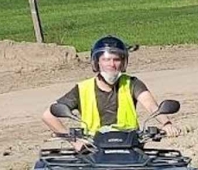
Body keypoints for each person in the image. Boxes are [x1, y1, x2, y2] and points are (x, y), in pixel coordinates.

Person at [42, 36, 178, 138]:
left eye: (116, 59)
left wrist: (166, 124)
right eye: (106, 59)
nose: (111, 64)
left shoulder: (132, 83)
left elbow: (151, 106)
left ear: (123, 63)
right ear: (97, 62)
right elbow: (48, 115)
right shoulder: (82, 89)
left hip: (130, 145)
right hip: (93, 149)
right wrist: (74, 141)